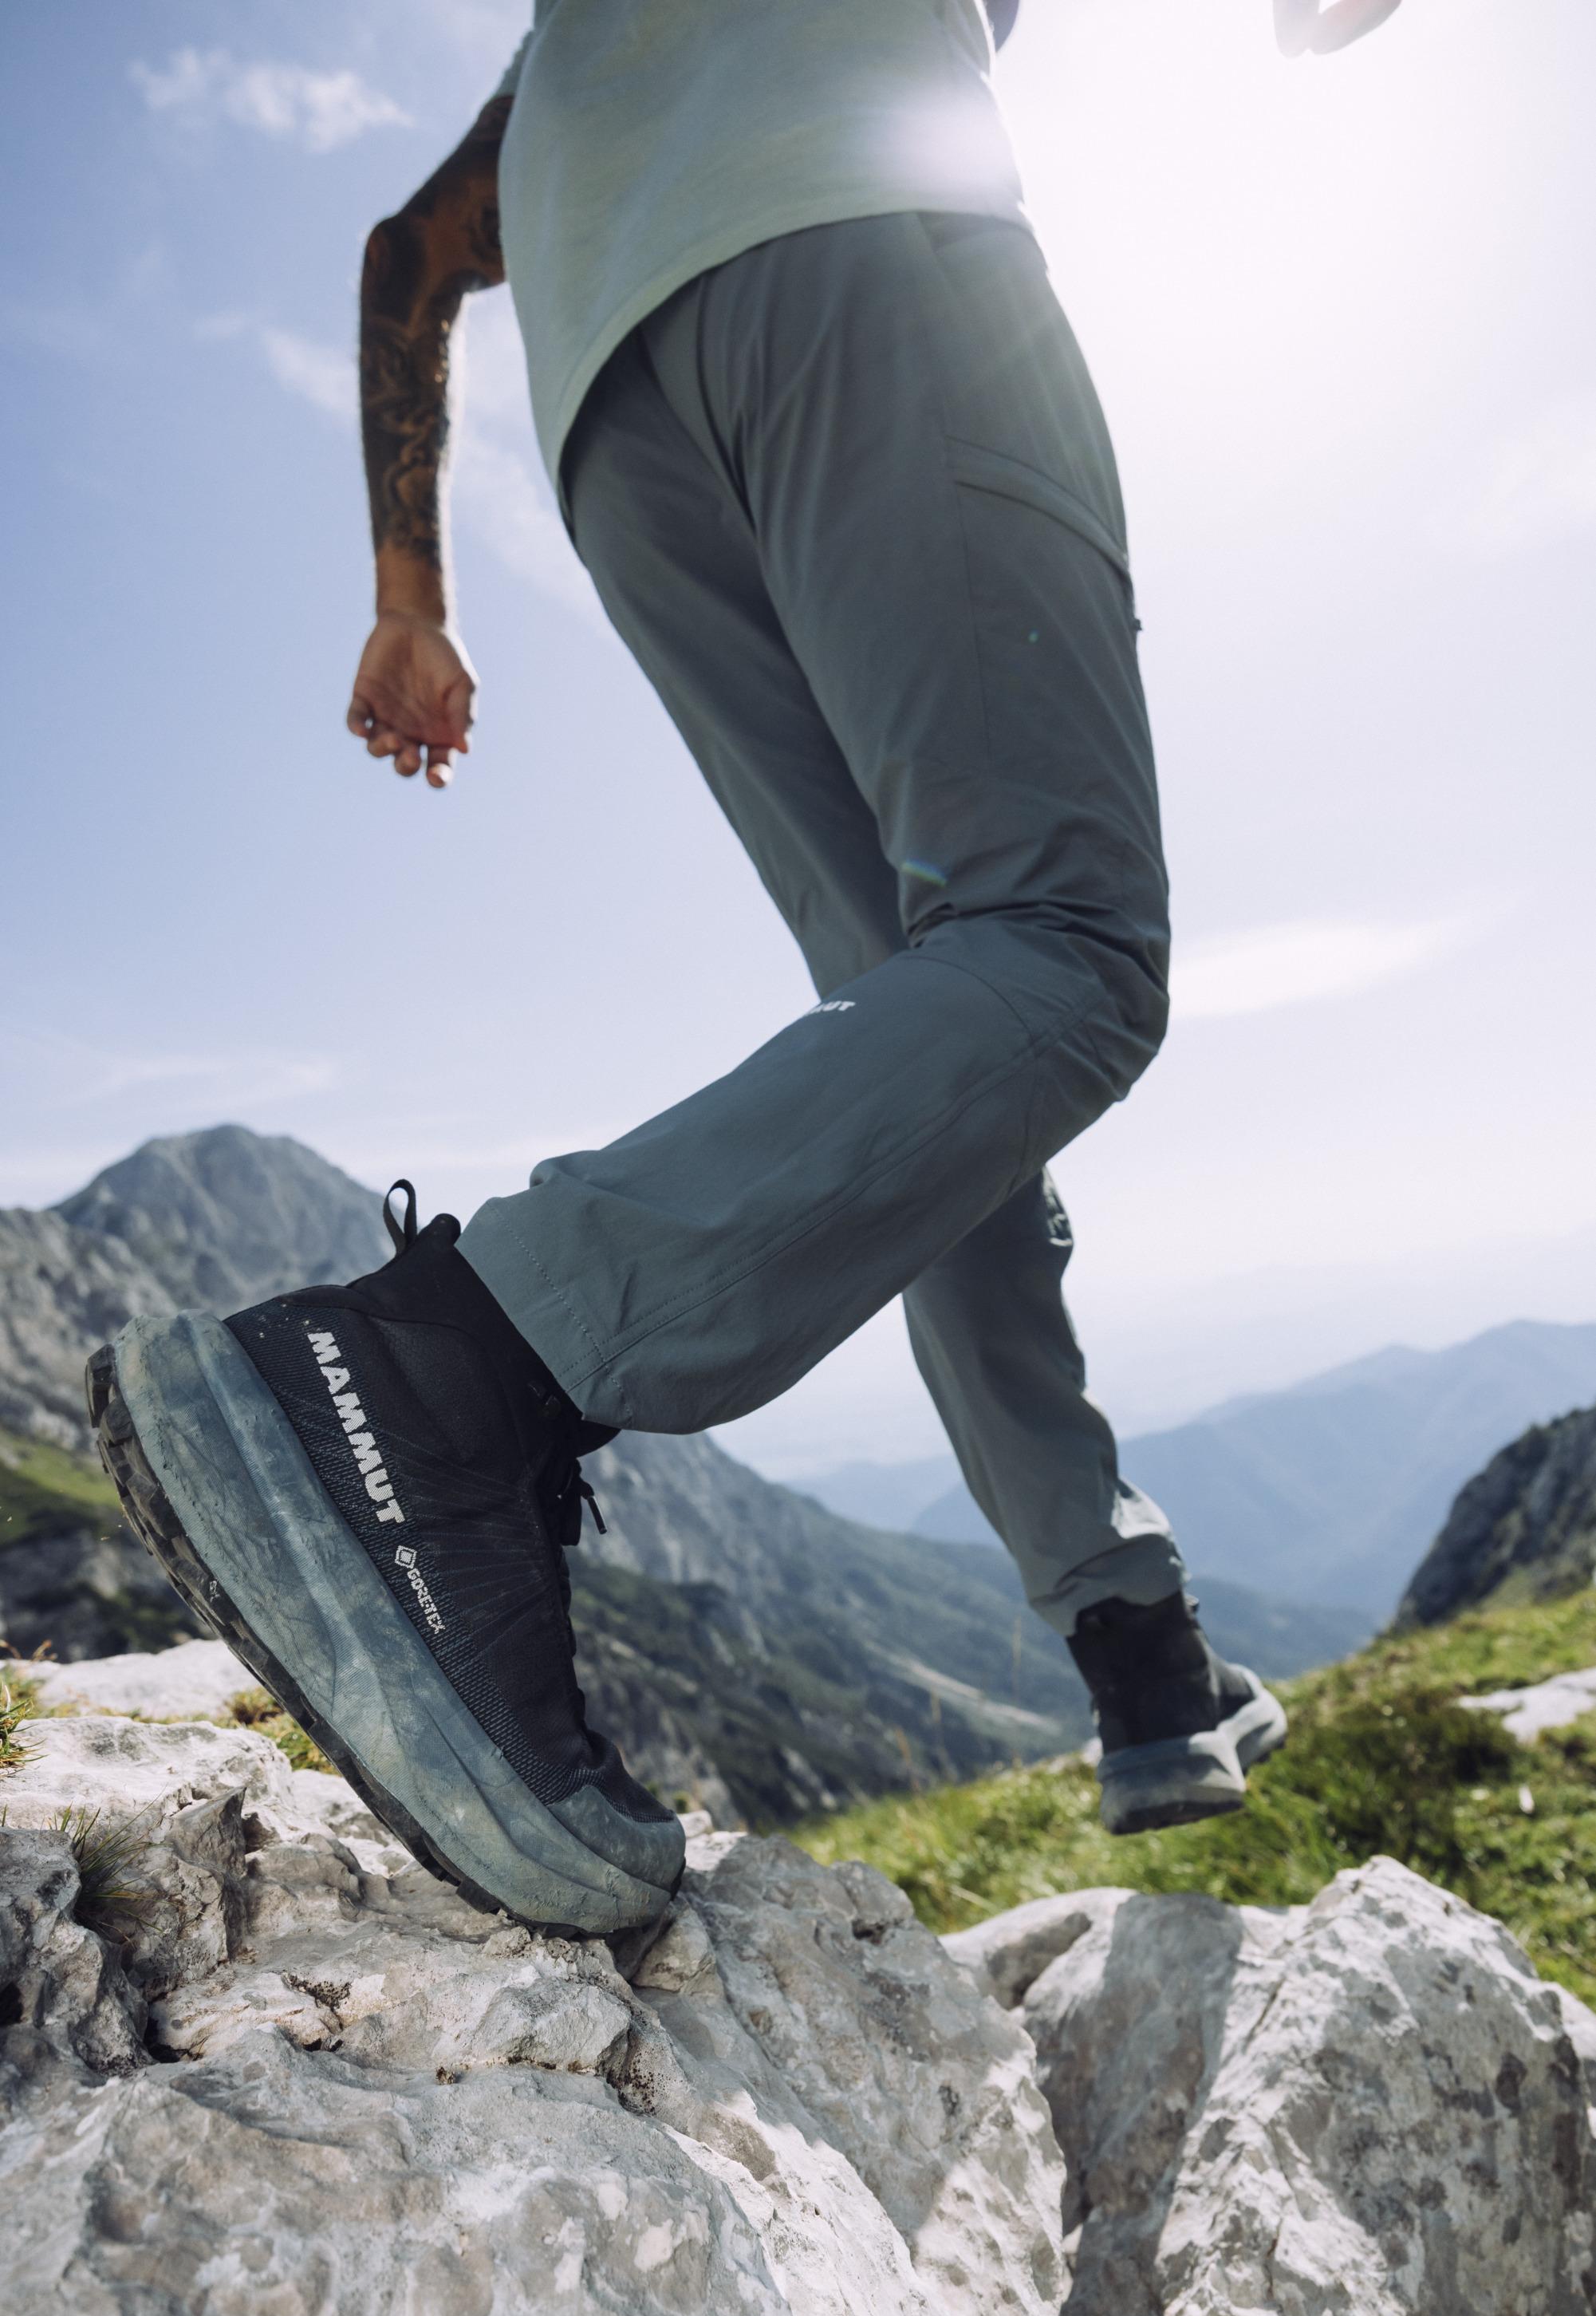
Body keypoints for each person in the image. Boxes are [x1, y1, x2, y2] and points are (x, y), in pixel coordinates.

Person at [89, 0, 1401, 1934]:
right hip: (869, 260)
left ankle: (1132, 1647)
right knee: (1063, 945)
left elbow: (409, 253)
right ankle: (449, 1365)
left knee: (933, 1039)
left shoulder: (563, 58)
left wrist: (408, 598)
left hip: (624, 437)